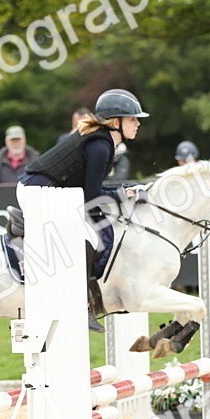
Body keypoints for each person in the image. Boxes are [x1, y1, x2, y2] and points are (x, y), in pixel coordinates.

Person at [20, 88, 147, 332]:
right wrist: (123, 195)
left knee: (98, 229)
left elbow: (93, 192)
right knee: (89, 235)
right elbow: (91, 197)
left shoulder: (105, 142)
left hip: (53, 192)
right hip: (38, 192)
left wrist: (125, 192)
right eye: (133, 118)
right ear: (115, 122)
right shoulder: (100, 146)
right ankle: (81, 304)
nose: (138, 123)